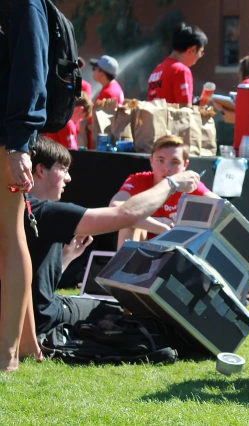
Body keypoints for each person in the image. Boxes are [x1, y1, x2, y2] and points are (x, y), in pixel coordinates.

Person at [23, 136, 202, 336]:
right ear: (40, 170)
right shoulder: (47, 212)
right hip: (43, 318)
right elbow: (124, 215)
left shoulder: (18, 207)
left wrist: (65, 259)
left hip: (28, 314)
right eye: (63, 169)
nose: (68, 178)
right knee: (126, 315)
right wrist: (173, 183)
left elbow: (34, 283)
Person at [0, 0, 48, 371]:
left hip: (7, 138)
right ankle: (28, 344)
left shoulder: (24, 3)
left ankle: (7, 355)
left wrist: (19, 144)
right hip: (10, 136)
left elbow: (33, 69)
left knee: (9, 235)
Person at [110, 135, 218, 249]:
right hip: (144, 248)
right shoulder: (139, 180)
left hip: (179, 249)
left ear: (185, 165)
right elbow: (115, 206)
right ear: (151, 160)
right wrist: (161, 228)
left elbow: (221, 208)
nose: (167, 168)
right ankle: (126, 266)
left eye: (175, 162)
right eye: (160, 160)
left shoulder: (189, 185)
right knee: (129, 223)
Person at [147, 22, 207, 105]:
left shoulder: (156, 71)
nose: (200, 56)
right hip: (172, 118)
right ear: (193, 49)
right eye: (201, 51)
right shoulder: (181, 71)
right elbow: (185, 111)